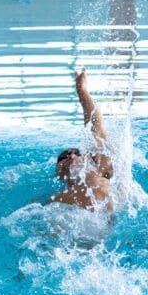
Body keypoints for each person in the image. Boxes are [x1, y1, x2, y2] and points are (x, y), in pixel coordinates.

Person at [50, 69, 114, 211]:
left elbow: (96, 128)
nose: (72, 156)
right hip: (75, 220)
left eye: (77, 154)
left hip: (107, 212)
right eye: (64, 157)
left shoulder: (100, 167)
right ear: (59, 173)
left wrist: (82, 91)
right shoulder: (56, 201)